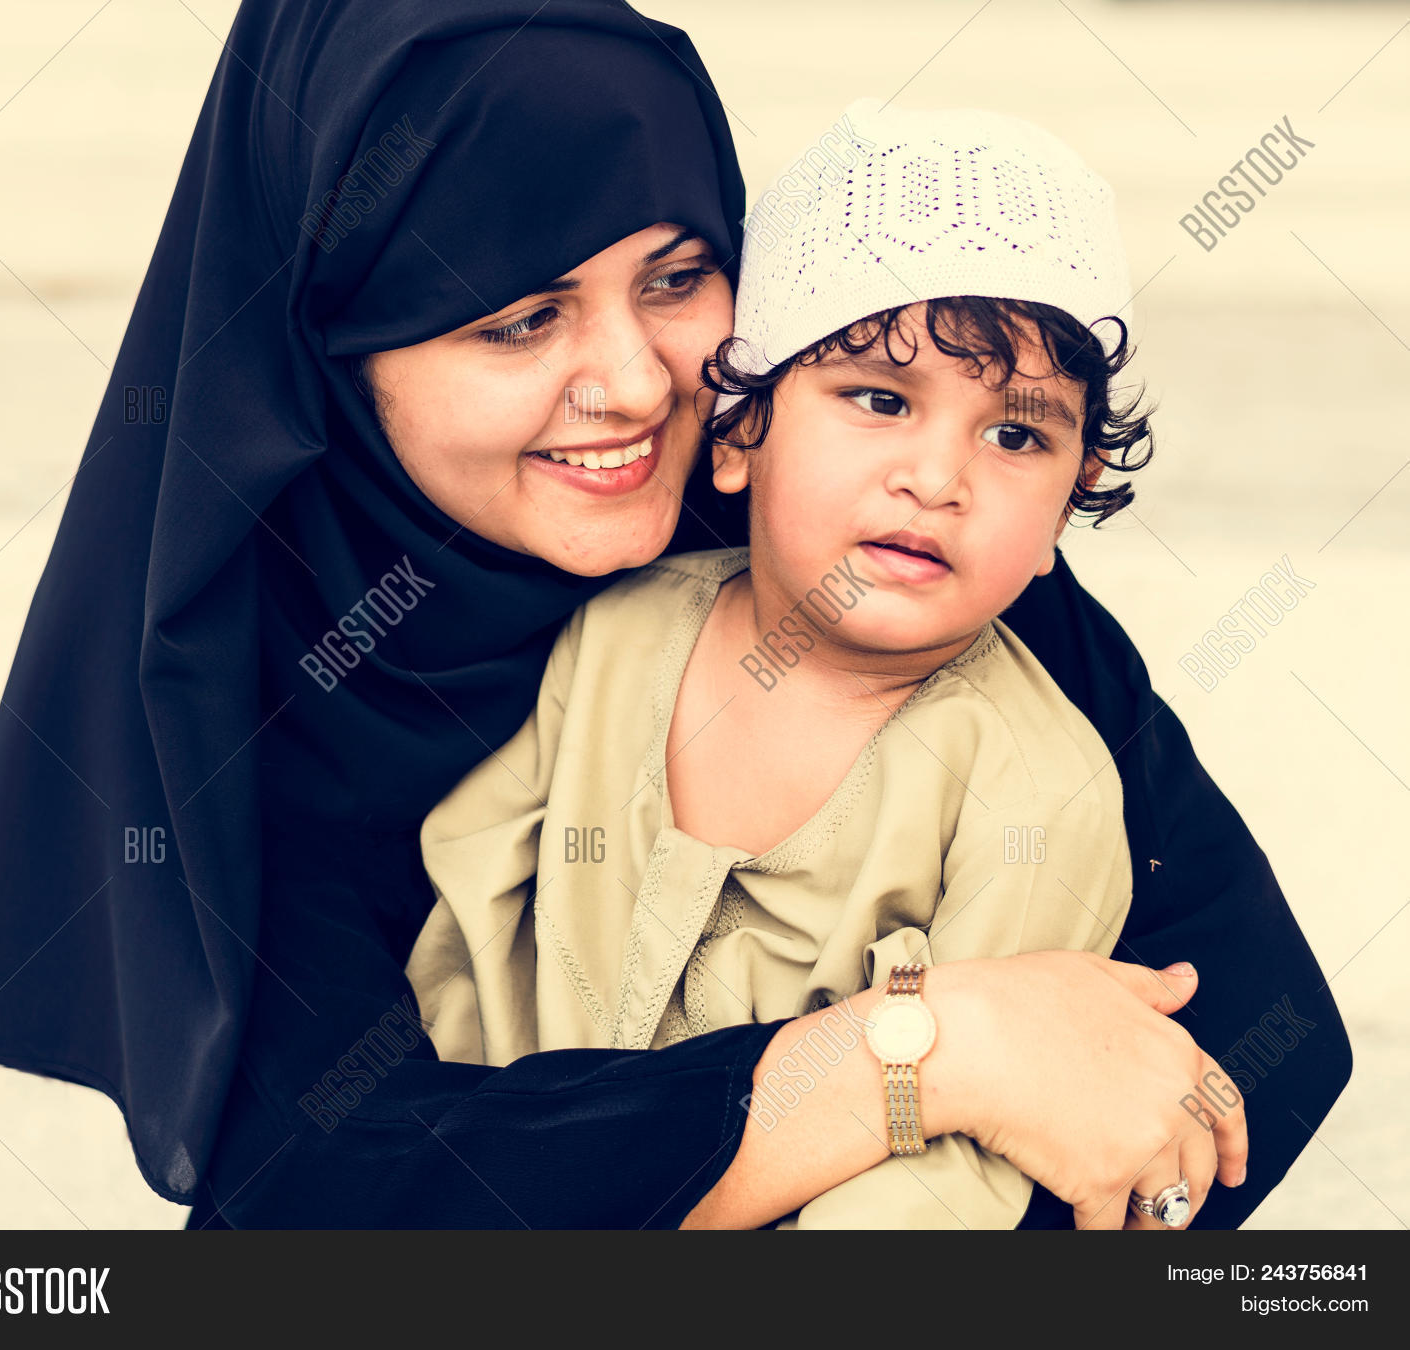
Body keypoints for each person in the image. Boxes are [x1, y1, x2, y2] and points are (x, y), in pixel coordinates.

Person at [0, 0, 1348, 1230]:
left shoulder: (862, 528)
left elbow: (1250, 1031)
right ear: (337, 342)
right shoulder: (263, 664)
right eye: (522, 318)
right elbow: (336, 1186)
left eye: (675, 278)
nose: (641, 386)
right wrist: (921, 1053)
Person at [409, 107, 1163, 1229]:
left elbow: (965, 1169)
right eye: (880, 401)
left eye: (1017, 436)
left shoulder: (1036, 795)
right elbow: (465, 929)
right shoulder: (610, 640)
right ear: (737, 432)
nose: (938, 479)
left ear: (1068, 507)